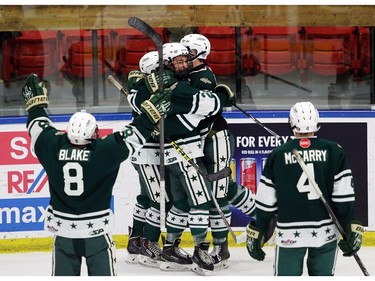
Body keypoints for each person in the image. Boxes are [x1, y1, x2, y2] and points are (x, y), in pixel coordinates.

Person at [22, 73, 168, 276]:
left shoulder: (51, 146)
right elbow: (135, 133)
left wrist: (35, 105)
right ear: (93, 133)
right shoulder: (105, 151)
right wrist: (150, 114)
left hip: (63, 233)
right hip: (97, 234)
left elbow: (38, 126)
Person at [246, 101, 364, 276]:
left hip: (289, 234)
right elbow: (343, 196)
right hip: (326, 233)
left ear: (291, 123)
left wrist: (259, 227)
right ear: (317, 122)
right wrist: (349, 224)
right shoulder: (334, 151)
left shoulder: (278, 154)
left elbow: (266, 201)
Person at [180, 33, 256, 270]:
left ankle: (221, 248)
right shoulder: (189, 74)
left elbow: (194, 109)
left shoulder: (202, 76)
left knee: (219, 193)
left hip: (216, 139)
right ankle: (263, 213)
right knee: (224, 187)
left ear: (199, 54)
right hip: (202, 141)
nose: (183, 57)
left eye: (187, 53)